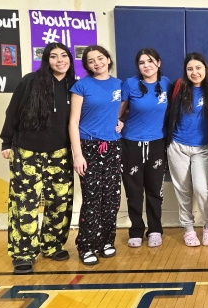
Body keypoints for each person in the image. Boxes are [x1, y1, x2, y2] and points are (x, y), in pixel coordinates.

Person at [0, 42, 76, 274]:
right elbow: (12, 111)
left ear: (70, 59)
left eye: (64, 56)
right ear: (46, 60)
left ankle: (52, 245)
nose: (60, 60)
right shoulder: (30, 81)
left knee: (60, 202)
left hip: (61, 152)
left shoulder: (76, 86)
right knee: (25, 203)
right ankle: (23, 253)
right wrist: (6, 141)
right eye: (53, 56)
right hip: (27, 151)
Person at [69, 45, 122, 265]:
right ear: (87, 65)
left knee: (112, 198)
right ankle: (86, 245)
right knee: (92, 199)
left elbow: (119, 110)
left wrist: (120, 122)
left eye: (100, 58)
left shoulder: (119, 85)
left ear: (108, 59)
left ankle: (106, 241)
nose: (97, 63)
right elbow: (73, 122)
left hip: (114, 147)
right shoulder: (81, 86)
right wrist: (78, 155)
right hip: (89, 147)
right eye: (91, 61)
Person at [166, 52, 208, 247]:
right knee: (183, 190)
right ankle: (188, 229)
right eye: (190, 69)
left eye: (198, 68)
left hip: (202, 148)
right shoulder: (179, 87)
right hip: (178, 146)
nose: (194, 72)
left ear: (205, 68)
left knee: (201, 189)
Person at [119, 48, 169, 248]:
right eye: (141, 62)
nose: (146, 65)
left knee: (155, 191)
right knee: (134, 191)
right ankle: (136, 230)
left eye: (149, 61)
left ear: (158, 62)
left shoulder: (166, 84)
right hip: (131, 144)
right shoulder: (130, 84)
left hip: (157, 144)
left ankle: (155, 229)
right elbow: (119, 113)